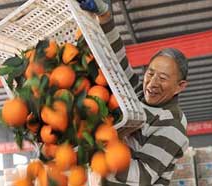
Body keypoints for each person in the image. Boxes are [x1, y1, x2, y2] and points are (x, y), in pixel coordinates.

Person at [77, 1, 189, 185]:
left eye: (162, 78)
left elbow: (142, 175)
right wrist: (104, 15)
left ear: (180, 86)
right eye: (150, 73)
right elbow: (118, 59)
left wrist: (97, 149)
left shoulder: (172, 126)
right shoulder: (138, 95)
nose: (152, 83)